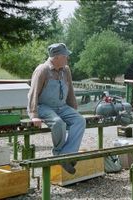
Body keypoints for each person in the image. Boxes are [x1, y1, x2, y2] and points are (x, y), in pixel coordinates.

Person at [27, 43, 86, 174]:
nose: (67, 59)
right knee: (58, 123)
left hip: (62, 107)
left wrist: (73, 110)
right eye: (66, 56)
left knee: (80, 121)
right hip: (43, 106)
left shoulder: (66, 70)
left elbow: (70, 91)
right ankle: (59, 154)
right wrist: (34, 115)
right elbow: (33, 93)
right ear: (57, 57)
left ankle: (67, 154)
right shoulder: (42, 70)